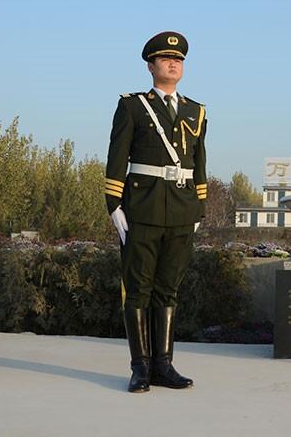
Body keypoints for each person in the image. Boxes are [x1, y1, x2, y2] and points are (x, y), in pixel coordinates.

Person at [104, 31, 207, 393]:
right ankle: (140, 368)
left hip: (182, 210)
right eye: (165, 59)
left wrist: (200, 206)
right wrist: (114, 203)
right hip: (142, 208)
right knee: (138, 290)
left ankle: (164, 365)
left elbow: (199, 162)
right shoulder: (133, 106)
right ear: (151, 66)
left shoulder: (196, 110)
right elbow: (117, 155)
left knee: (168, 289)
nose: (173, 63)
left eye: (178, 59)